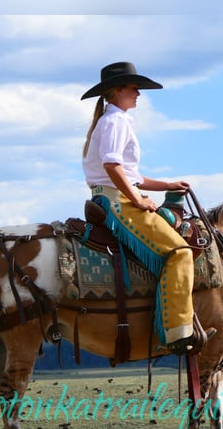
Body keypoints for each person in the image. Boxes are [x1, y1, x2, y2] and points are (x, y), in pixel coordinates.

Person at [81, 61, 204, 355]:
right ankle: (177, 331)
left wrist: (168, 185)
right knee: (179, 252)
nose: (139, 94)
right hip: (117, 203)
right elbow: (112, 165)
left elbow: (132, 175)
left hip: (114, 195)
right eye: (134, 88)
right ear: (117, 91)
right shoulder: (115, 121)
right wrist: (137, 200)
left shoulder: (113, 120)